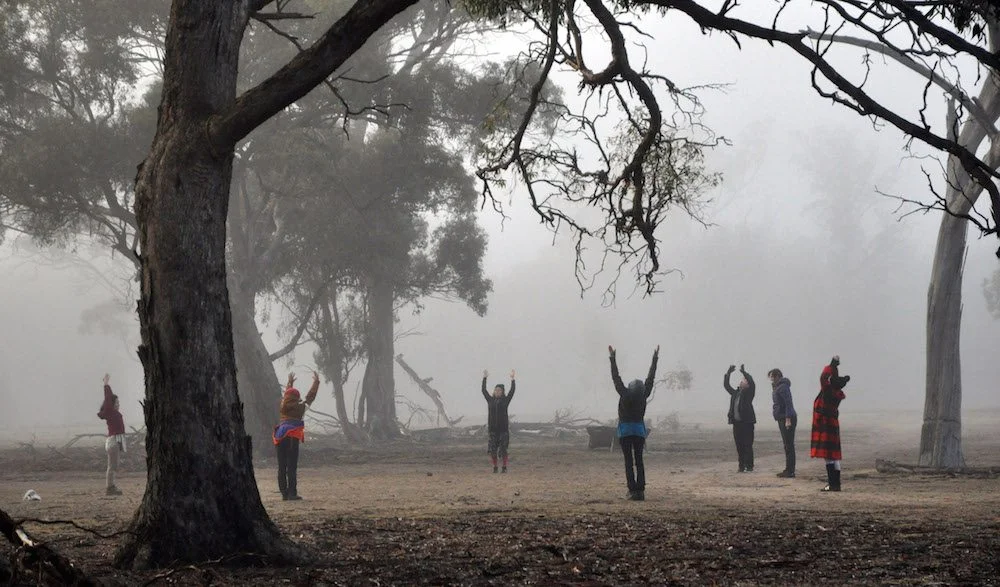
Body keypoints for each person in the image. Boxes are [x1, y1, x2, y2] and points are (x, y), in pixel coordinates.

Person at [609, 344, 659, 501]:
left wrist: (612, 358)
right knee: (639, 461)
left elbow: (615, 377)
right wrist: (655, 358)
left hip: (624, 432)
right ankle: (641, 491)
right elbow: (651, 377)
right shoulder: (643, 395)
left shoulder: (624, 394)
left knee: (628, 462)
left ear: (630, 388)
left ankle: (632, 491)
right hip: (638, 432)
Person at [272, 371, 319, 501]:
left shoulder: (283, 406)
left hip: (279, 436)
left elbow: (288, 394)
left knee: (281, 466)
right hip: (292, 437)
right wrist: (316, 383)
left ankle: (284, 493)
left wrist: (290, 383)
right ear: (297, 397)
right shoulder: (301, 407)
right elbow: (310, 397)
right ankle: (292, 493)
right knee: (291, 466)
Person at [811, 355, 850, 492]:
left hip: (825, 424)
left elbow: (823, 377)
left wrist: (832, 366)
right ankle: (835, 484)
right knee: (834, 456)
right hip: (832, 422)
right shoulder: (836, 392)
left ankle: (832, 484)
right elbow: (826, 379)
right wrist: (835, 369)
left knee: (829, 457)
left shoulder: (828, 391)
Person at [481, 369, 516, 473]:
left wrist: (513, 379)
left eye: (499, 390)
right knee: (493, 450)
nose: (497, 392)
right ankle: (495, 467)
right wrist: (484, 378)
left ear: (502, 392)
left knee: (503, 449)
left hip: (503, 430)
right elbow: (483, 390)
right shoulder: (490, 400)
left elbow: (512, 391)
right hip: (492, 430)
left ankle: (504, 467)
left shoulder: (506, 400)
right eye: (496, 390)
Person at [97, 373, 126, 496]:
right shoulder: (110, 411)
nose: (118, 404)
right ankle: (110, 488)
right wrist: (106, 384)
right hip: (113, 440)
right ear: (112, 404)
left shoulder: (113, 413)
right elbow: (108, 398)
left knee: (114, 465)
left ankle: (111, 487)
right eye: (117, 402)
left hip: (115, 440)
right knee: (112, 466)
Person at [724, 364, 756, 472]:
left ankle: (749, 466)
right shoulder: (735, 393)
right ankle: (741, 466)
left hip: (747, 423)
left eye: (745, 381)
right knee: (739, 445)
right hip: (736, 423)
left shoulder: (749, 393)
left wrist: (744, 372)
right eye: (743, 380)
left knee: (748, 444)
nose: (743, 381)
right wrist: (728, 373)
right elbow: (726, 385)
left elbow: (752, 382)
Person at [768, 368, 797, 478]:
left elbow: (788, 403)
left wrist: (788, 419)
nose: (771, 380)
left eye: (772, 377)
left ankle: (790, 471)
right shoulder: (777, 387)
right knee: (787, 445)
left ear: (777, 376)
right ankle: (788, 469)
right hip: (782, 418)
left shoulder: (783, 387)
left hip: (787, 418)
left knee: (789, 445)